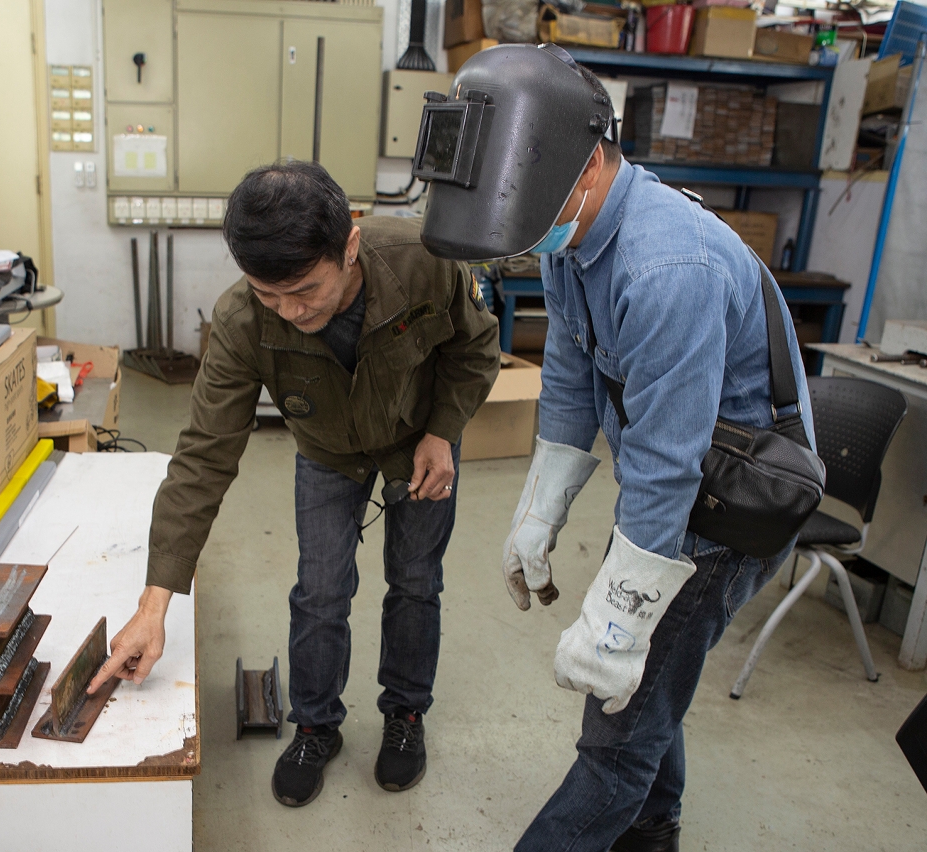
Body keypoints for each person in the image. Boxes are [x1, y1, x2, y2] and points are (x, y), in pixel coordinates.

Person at [413, 45, 814, 852]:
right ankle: (654, 829)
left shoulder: (667, 266)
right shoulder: (574, 233)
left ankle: (637, 812)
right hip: (676, 480)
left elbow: (667, 466)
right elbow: (570, 373)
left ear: (589, 164)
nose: (531, 241)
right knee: (651, 686)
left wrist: (622, 618)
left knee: (616, 736)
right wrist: (542, 509)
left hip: (731, 503)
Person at [86, 161, 501, 807]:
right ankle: (315, 725)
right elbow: (202, 460)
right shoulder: (241, 321)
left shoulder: (423, 261)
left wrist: (444, 431)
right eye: (269, 294)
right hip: (327, 451)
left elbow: (474, 349)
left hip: (418, 441)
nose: (290, 311)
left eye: (305, 290)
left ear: (350, 245)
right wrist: (154, 604)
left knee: (417, 582)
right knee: (321, 592)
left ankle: (405, 713)